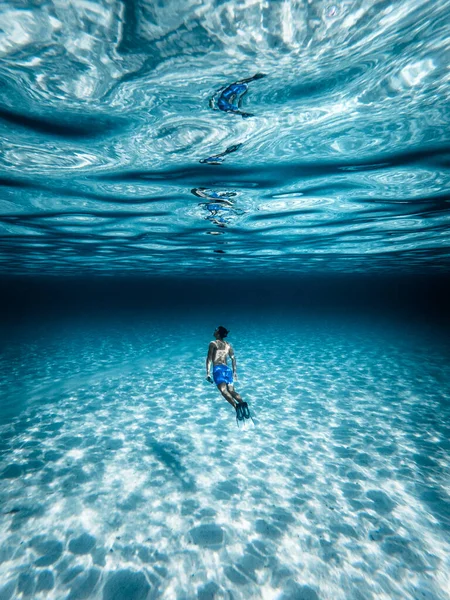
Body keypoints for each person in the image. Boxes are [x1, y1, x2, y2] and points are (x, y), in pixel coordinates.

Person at [206, 326, 247, 415]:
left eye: (215, 330)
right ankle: (243, 404)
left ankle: (236, 407)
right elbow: (233, 358)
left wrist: (208, 373)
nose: (214, 331)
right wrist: (235, 372)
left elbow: (209, 358)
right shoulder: (228, 345)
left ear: (218, 333)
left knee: (224, 391)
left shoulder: (213, 343)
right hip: (228, 370)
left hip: (218, 369)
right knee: (231, 391)